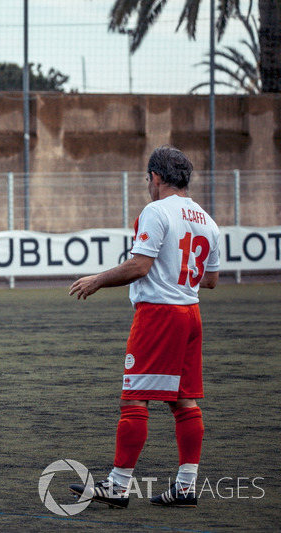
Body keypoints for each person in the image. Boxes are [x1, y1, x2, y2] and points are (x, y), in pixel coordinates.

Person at [67, 146, 220, 509]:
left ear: (155, 177)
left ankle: (118, 486)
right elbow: (211, 280)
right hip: (190, 314)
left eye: (147, 179)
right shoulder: (207, 220)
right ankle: (185, 485)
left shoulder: (156, 211)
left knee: (134, 399)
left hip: (160, 316)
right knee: (184, 401)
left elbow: (139, 266)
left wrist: (97, 280)